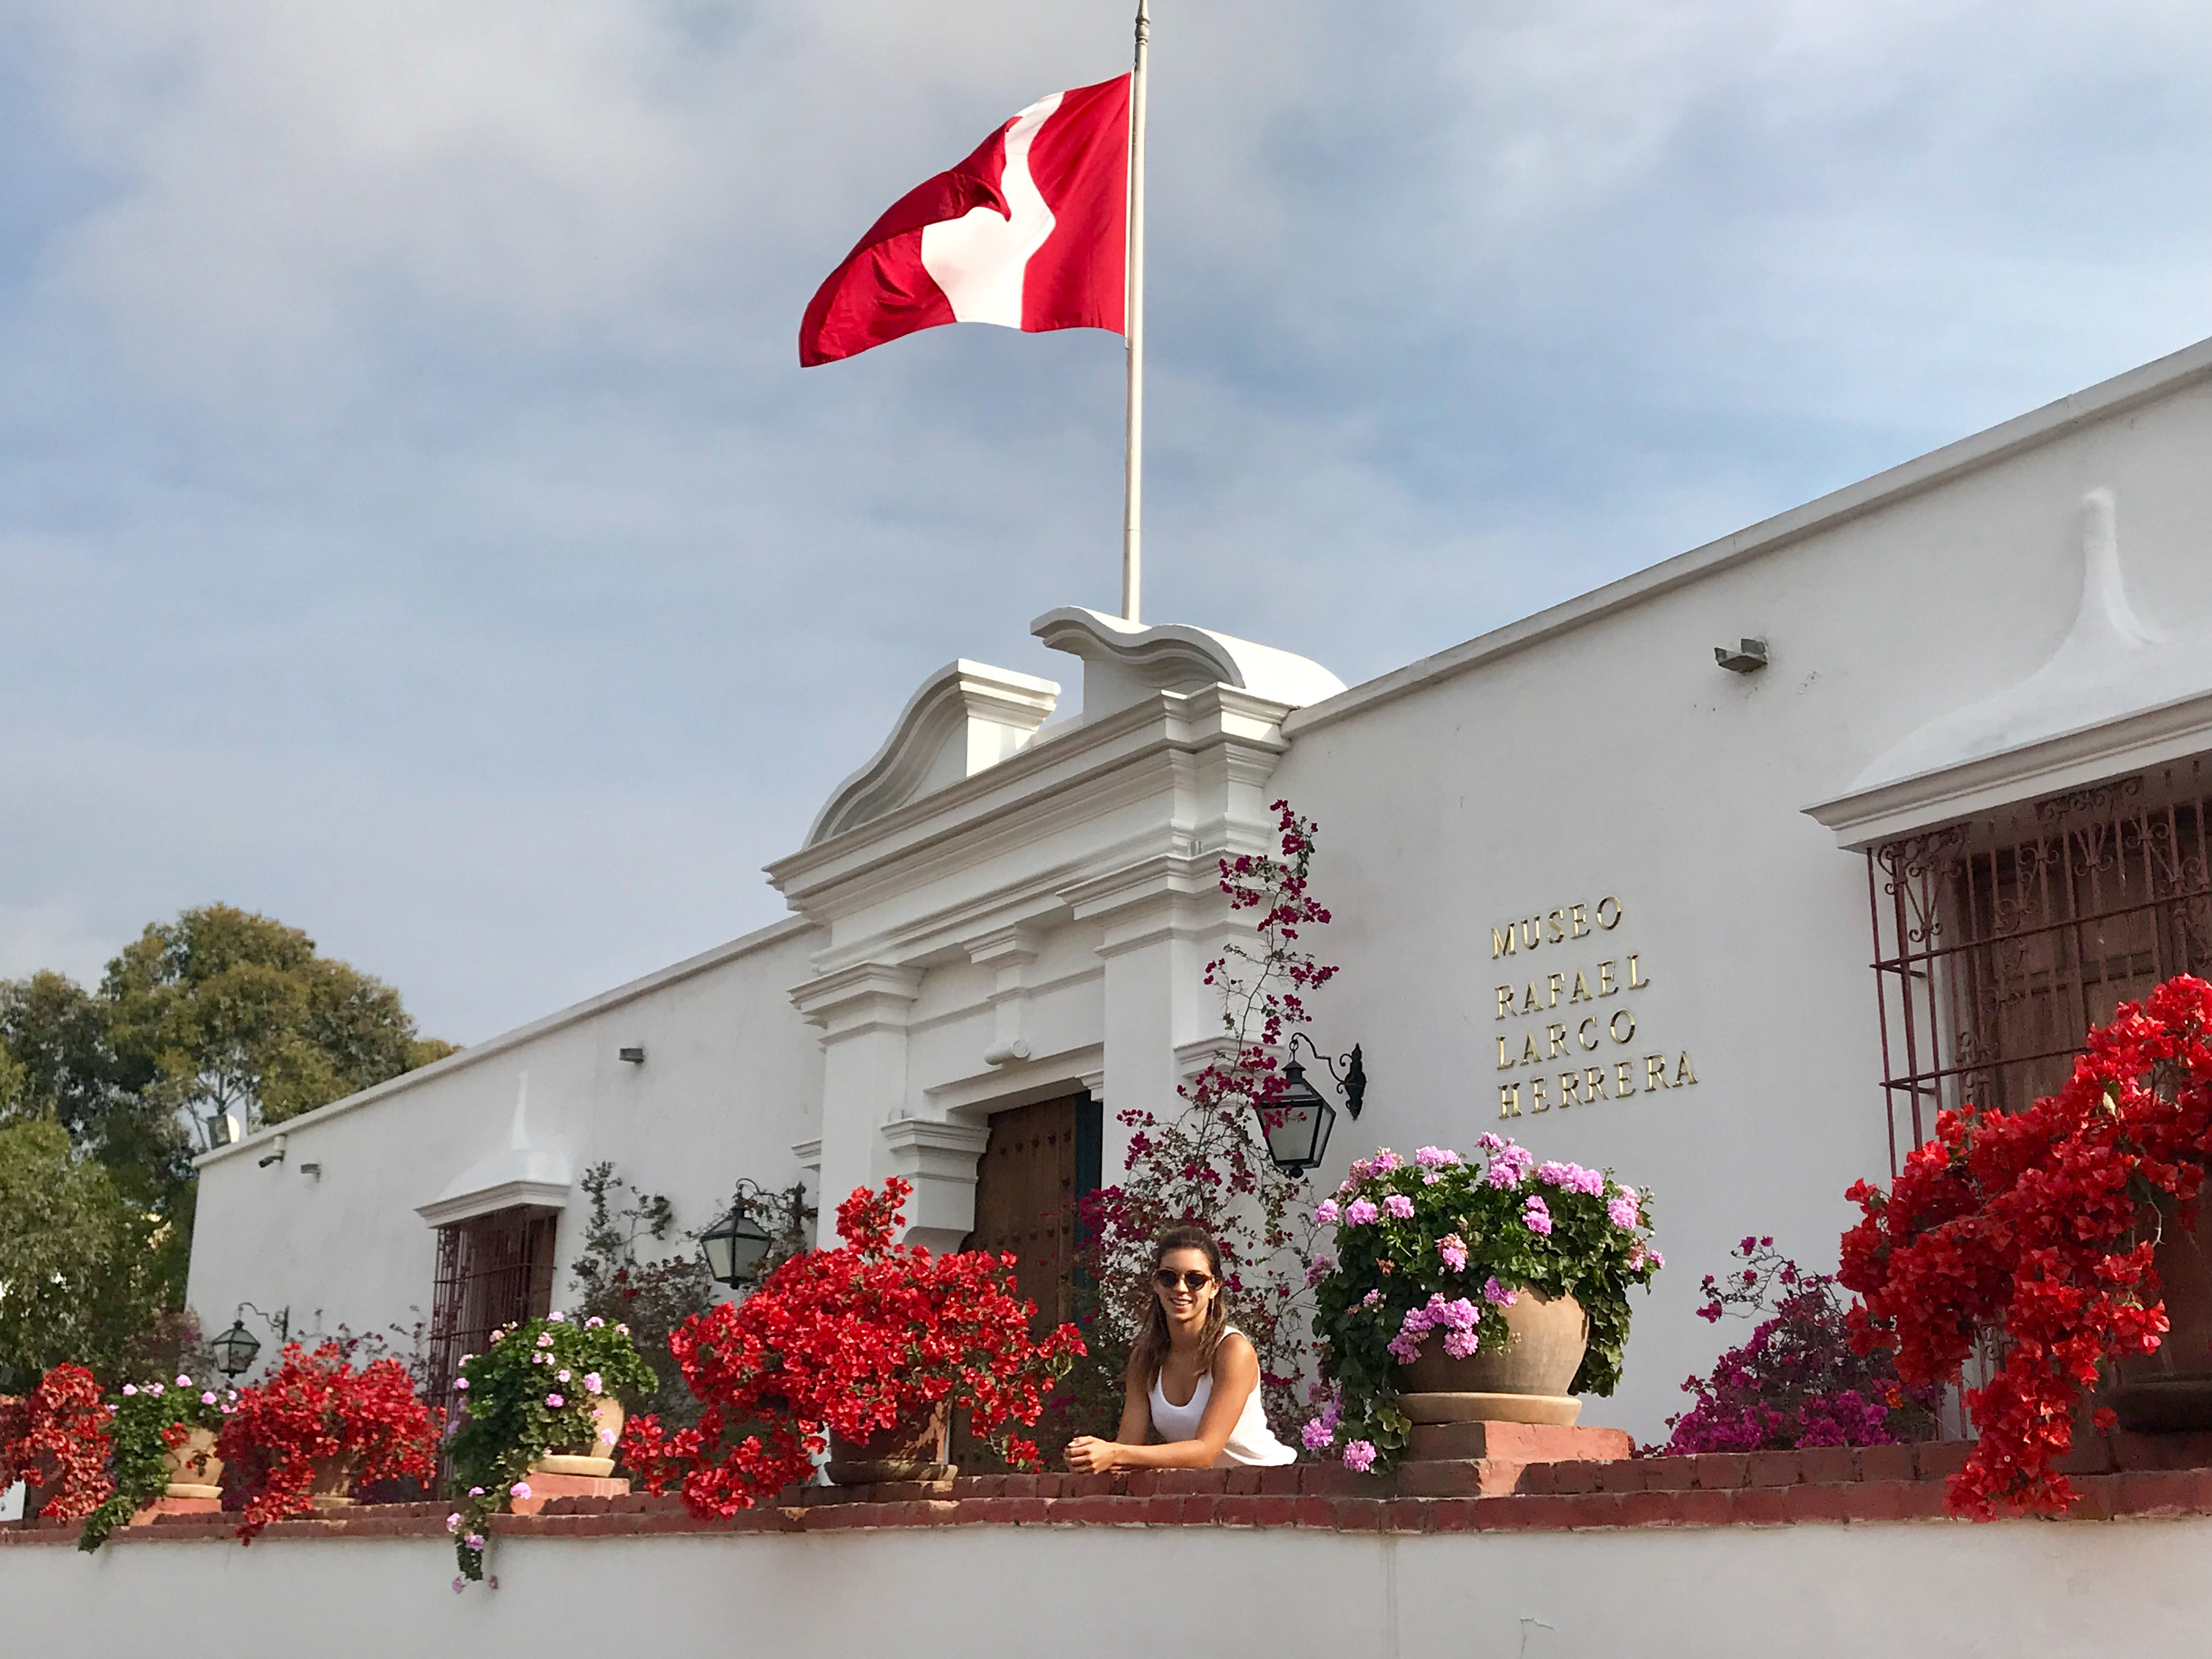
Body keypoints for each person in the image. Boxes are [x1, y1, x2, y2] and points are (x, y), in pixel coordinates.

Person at [1065, 1225, 1296, 1472]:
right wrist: (1088, 1456)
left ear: (1215, 1287)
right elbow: (1127, 1450)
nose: (1181, 1288)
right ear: (1156, 1283)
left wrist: (1114, 1453)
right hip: (1207, 1492)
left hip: (1270, 1486)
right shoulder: (1146, 1359)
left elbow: (1205, 1452)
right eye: (1169, 1278)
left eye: (1195, 1279)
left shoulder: (1232, 1351)